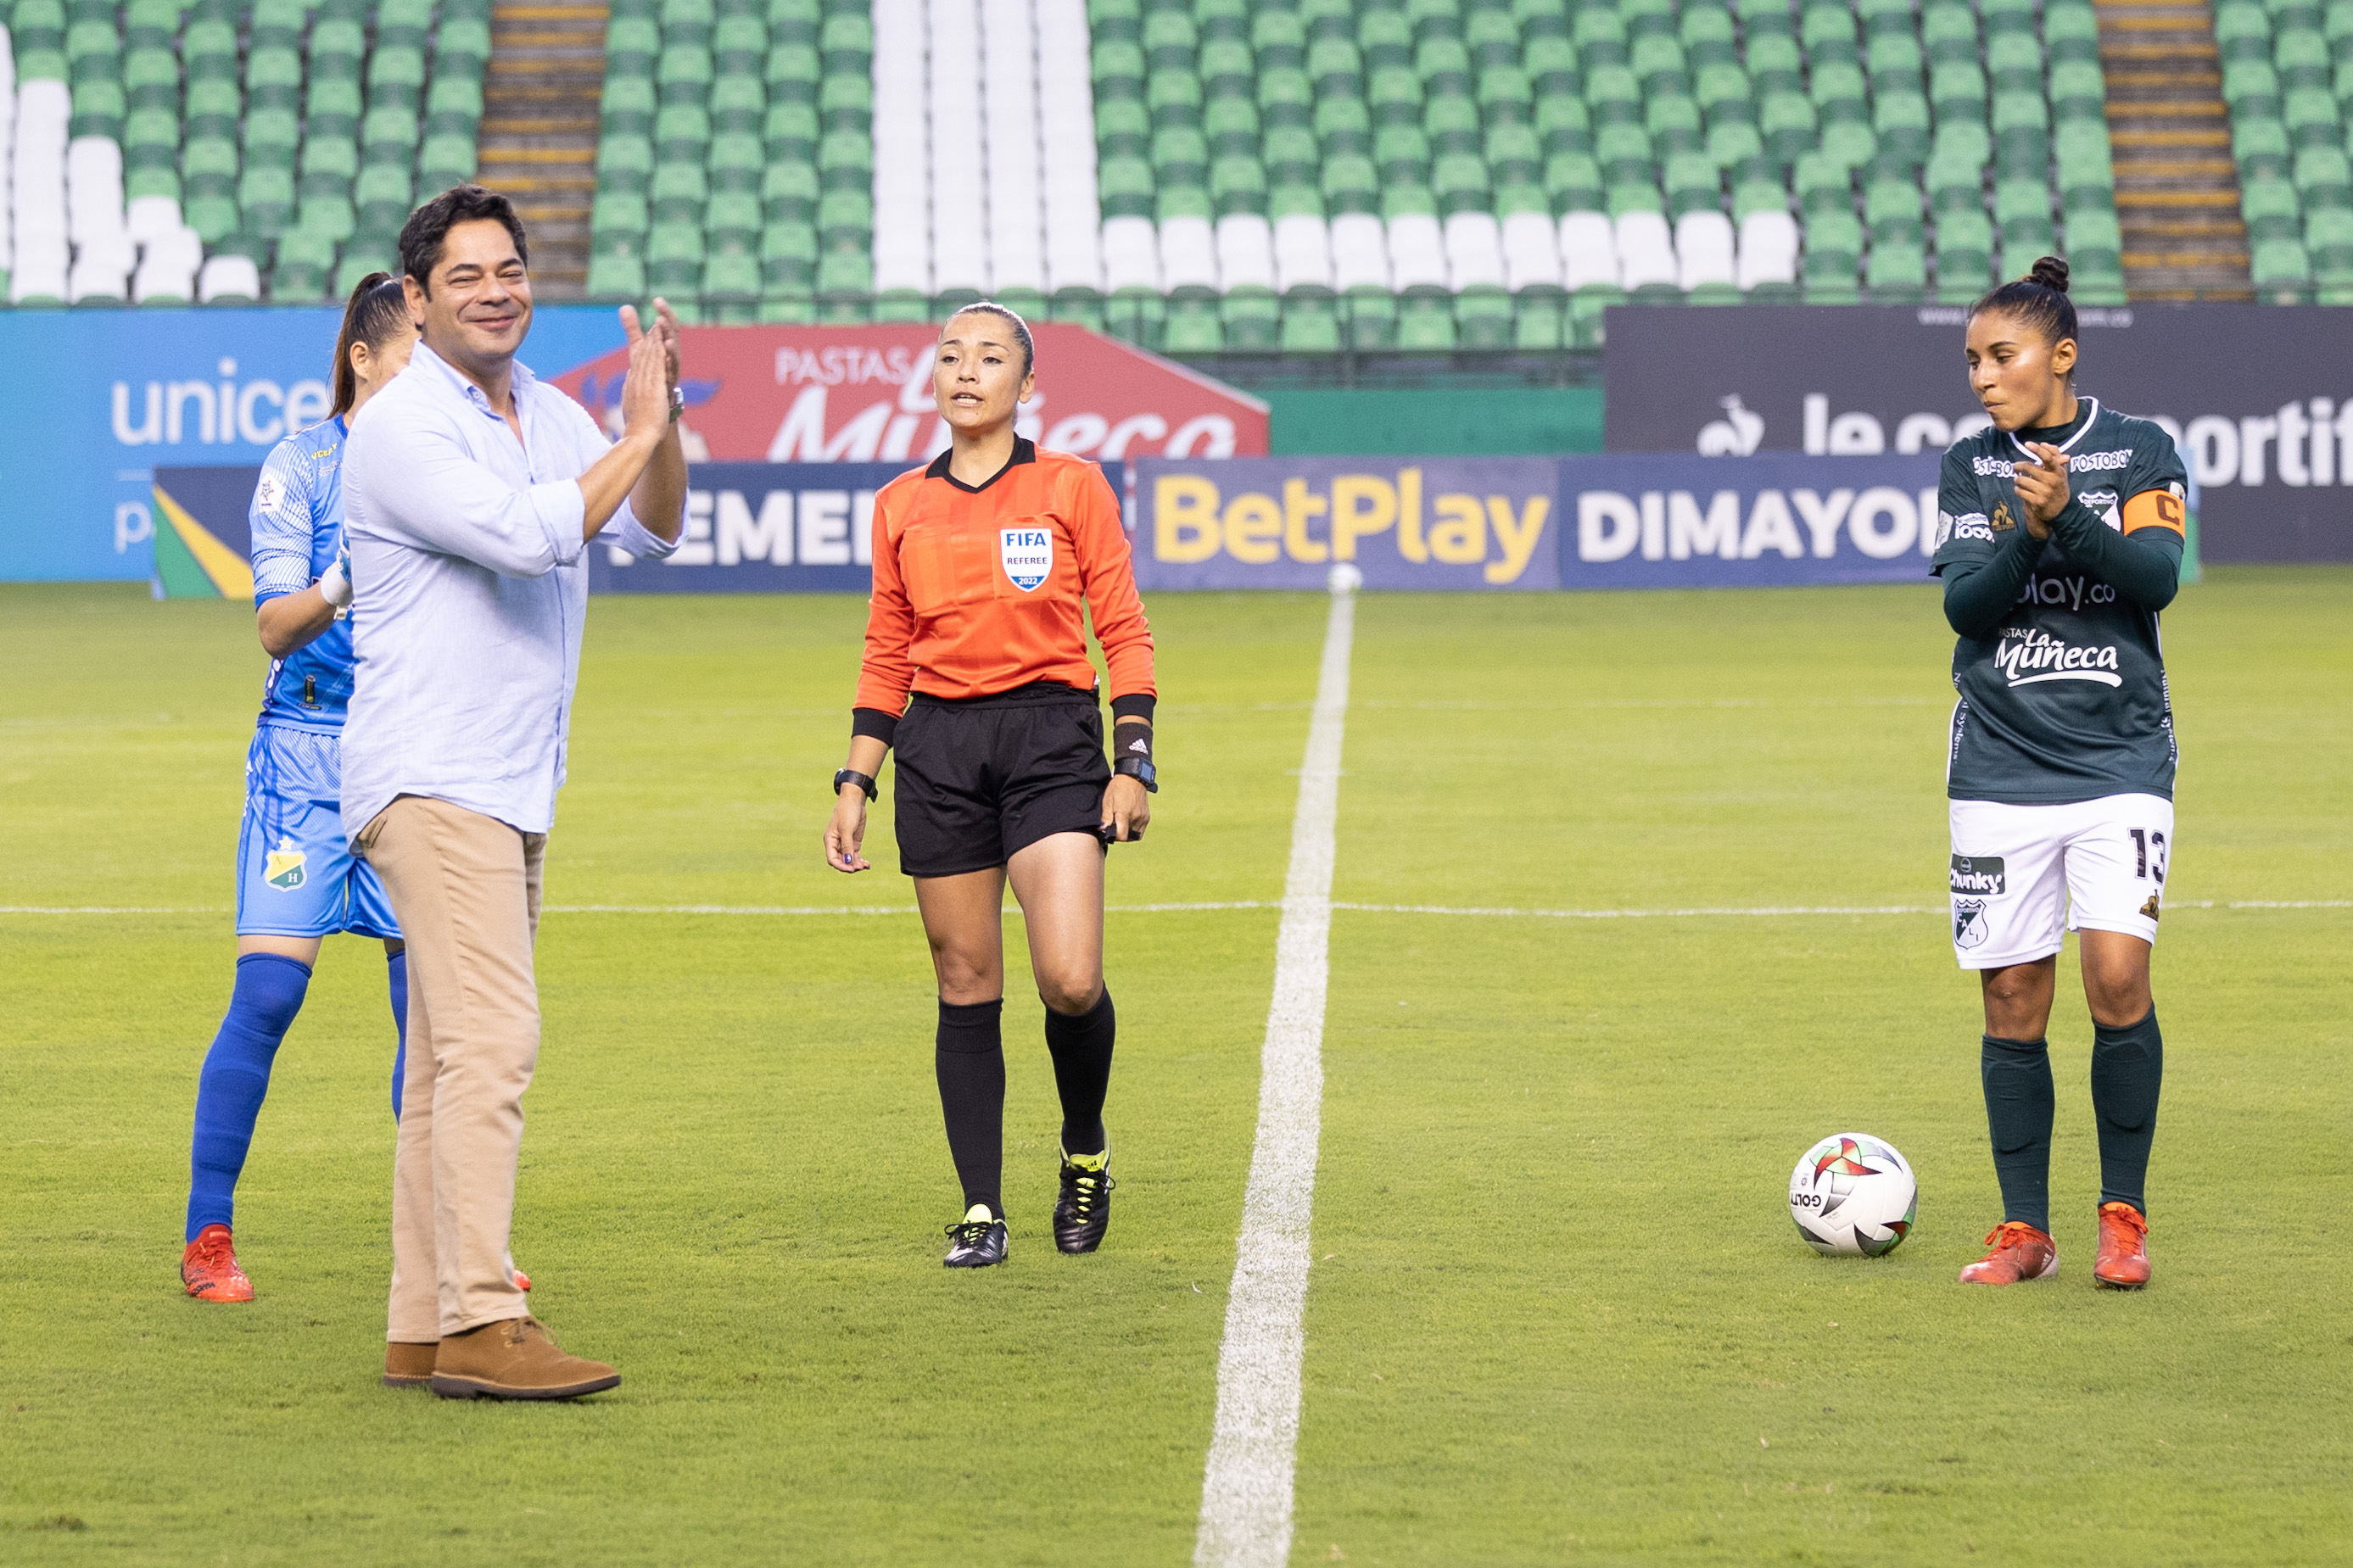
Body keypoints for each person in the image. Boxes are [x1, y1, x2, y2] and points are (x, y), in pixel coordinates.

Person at [341, 186, 685, 1398]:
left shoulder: (542, 407)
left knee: (447, 1060)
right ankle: (485, 1320)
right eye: (468, 275)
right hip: (433, 775)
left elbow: (649, 531)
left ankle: (422, 1324)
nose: (498, 290)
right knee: (495, 1041)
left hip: (502, 776)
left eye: (512, 269)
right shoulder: (400, 428)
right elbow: (532, 535)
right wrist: (632, 435)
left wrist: (663, 423)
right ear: (419, 301)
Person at [824, 302, 1157, 1269]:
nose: (965, 371)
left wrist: (1131, 759)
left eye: (990, 356)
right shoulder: (899, 504)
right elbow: (888, 649)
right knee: (966, 982)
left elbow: (1123, 629)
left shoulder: (1070, 485)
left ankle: (1084, 1147)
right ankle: (979, 1208)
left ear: (1025, 384)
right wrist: (856, 778)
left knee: (1068, 977)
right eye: (949, 356)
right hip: (939, 750)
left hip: (1052, 738)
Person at [1931, 257, 2188, 1292]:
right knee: (2012, 999)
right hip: (1997, 758)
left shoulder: (2139, 449)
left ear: (2060, 356)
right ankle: (2020, 1230)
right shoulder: (1968, 466)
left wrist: (2071, 516)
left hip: (2120, 752)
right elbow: (1965, 609)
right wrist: (2032, 531)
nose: (1982, 378)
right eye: (1971, 361)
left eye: (2002, 356)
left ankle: (2119, 1219)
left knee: (2116, 976)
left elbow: (2155, 578)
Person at [179, 273, 429, 1304]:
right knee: (271, 991)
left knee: (436, 1021)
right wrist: (344, 579)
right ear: (363, 359)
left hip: (420, 755)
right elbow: (276, 626)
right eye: (413, 356)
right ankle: (206, 1235)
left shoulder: (449, 465)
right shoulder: (302, 466)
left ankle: (454, 1240)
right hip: (307, 755)